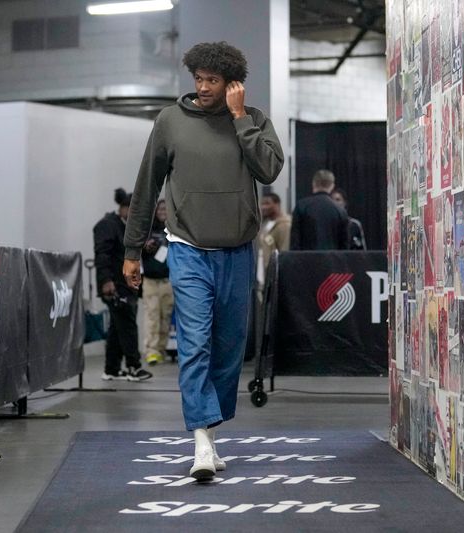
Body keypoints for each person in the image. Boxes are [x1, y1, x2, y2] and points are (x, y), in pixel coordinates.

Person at [122, 41, 283, 480]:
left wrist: (240, 118)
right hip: (188, 250)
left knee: (229, 350)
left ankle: (211, 433)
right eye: (199, 78)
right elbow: (146, 187)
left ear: (233, 83)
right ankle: (201, 445)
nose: (203, 87)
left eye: (213, 80)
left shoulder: (253, 120)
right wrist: (131, 249)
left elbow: (269, 171)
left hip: (236, 252)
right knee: (194, 345)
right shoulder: (169, 121)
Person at [93, 188, 153, 382]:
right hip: (115, 285)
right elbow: (102, 254)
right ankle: (134, 367)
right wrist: (106, 281)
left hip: (126, 284)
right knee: (127, 325)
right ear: (124, 208)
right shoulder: (107, 225)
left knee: (118, 327)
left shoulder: (125, 226)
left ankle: (111, 369)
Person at [141, 199, 173, 365]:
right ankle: (151, 351)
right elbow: (139, 250)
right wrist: (146, 247)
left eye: (166, 209)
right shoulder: (148, 231)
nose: (163, 211)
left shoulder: (174, 231)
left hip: (168, 280)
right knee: (152, 315)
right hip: (151, 280)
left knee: (165, 316)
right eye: (160, 208)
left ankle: (161, 348)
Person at [290, 169, 350, 250]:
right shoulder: (340, 210)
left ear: (313, 183)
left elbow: (295, 241)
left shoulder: (301, 206)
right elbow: (344, 245)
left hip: (306, 260)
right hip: (331, 260)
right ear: (332, 186)